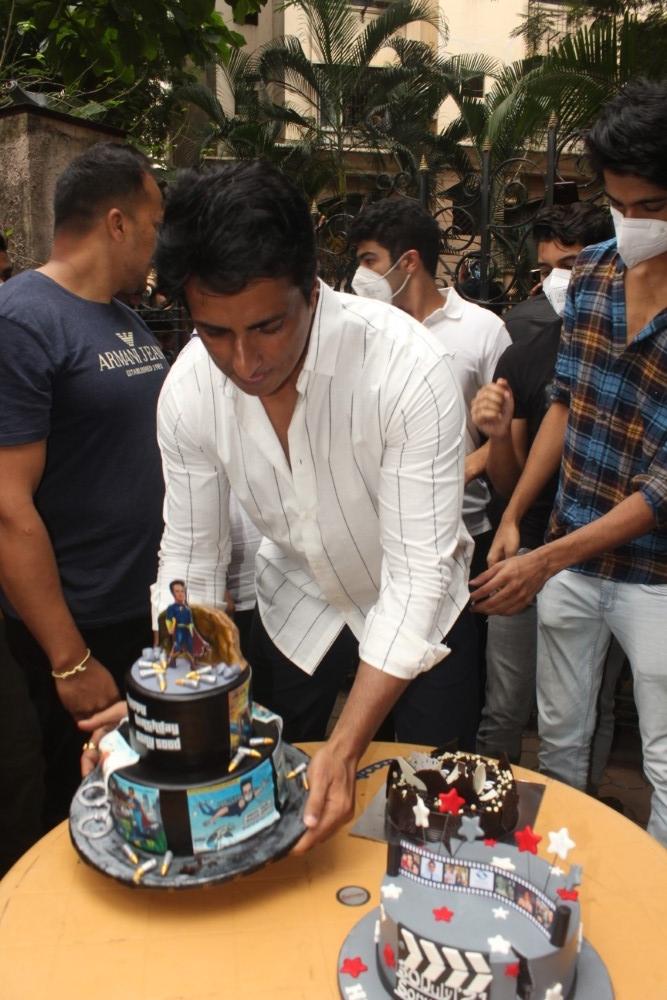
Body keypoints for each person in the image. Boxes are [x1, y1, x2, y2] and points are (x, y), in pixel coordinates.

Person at [80, 159, 473, 852]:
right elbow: (193, 560)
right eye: (214, 331)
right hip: (299, 610)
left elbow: (416, 577)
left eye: (266, 326)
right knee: (280, 806)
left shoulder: (406, 368)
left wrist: (349, 745)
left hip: (424, 615)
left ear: (311, 291)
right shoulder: (191, 389)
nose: (244, 361)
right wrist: (172, 701)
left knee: (429, 818)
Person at [470, 79, 667, 846]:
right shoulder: (588, 275)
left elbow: (662, 488)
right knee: (557, 741)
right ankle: (559, 873)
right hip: (568, 557)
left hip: (655, 575)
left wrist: (545, 555)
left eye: (650, 205)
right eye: (620, 204)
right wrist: (517, 515)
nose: (634, 223)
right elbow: (564, 402)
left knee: (661, 756)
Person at [0, 142, 168, 835]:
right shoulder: (22, 319)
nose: (159, 243)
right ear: (117, 222)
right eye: (154, 222)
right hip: (72, 629)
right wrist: (70, 660)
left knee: (135, 806)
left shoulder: (125, 320)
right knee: (62, 813)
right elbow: (8, 508)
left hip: (138, 619)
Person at [472, 203, 620, 771]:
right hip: (528, 546)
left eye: (573, 264)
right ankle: (493, 815)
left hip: (606, 556)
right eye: (548, 269)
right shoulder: (524, 354)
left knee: (591, 709)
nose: (559, 281)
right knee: (505, 703)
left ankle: (579, 813)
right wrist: (497, 437)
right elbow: (510, 486)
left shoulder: (625, 354)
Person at [348, 199, 511, 696]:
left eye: (370, 259)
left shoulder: (482, 330)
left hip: (460, 531)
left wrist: (460, 468)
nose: (360, 274)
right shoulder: (361, 328)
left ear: (409, 261)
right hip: (379, 536)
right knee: (385, 666)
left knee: (446, 682)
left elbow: (507, 429)